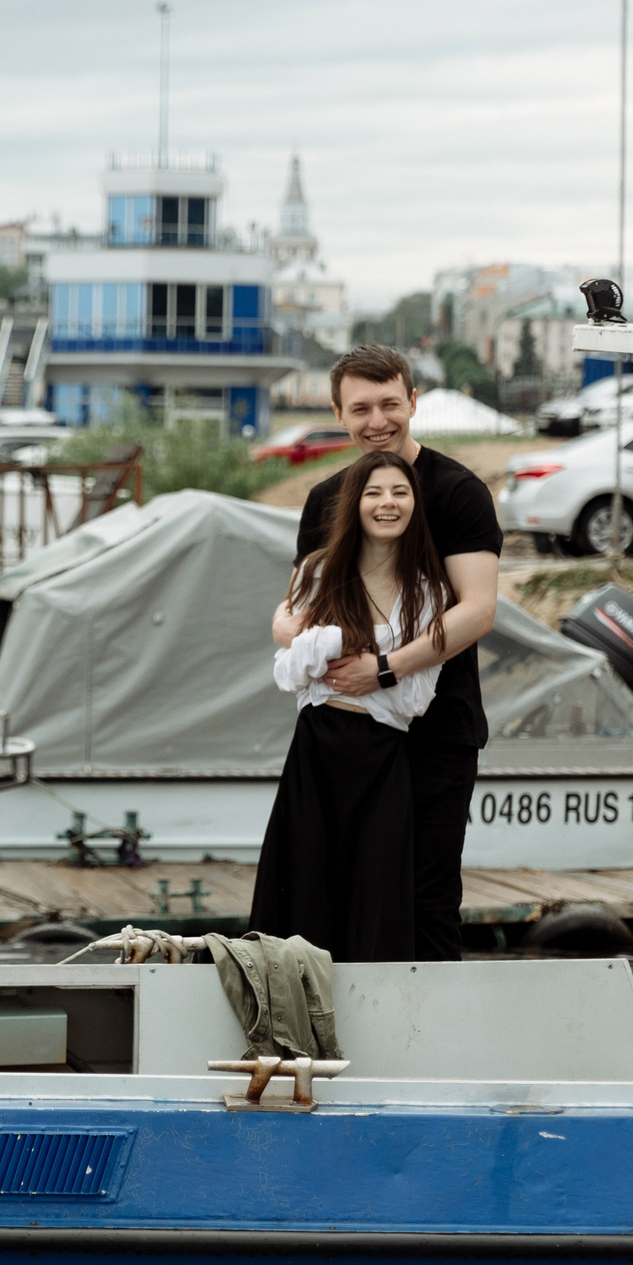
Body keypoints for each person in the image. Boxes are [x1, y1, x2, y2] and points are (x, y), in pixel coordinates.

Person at [271, 345, 501, 961]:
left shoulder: (457, 492)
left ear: (414, 402)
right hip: (344, 738)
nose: (378, 420)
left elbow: (477, 609)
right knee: (330, 889)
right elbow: (295, 605)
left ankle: (431, 1046)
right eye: (361, 408)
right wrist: (296, 638)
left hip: (435, 732)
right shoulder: (326, 499)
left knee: (425, 898)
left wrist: (383, 669)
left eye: (390, 404)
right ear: (338, 413)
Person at [251, 450, 453, 959]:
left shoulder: (428, 591)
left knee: (376, 890)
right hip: (316, 749)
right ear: (355, 504)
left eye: (400, 492)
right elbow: (288, 672)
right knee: (302, 884)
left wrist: (365, 667)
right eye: (374, 492)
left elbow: (416, 697)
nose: (388, 503)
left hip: (383, 753)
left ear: (414, 505)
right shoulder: (319, 571)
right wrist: (338, 642)